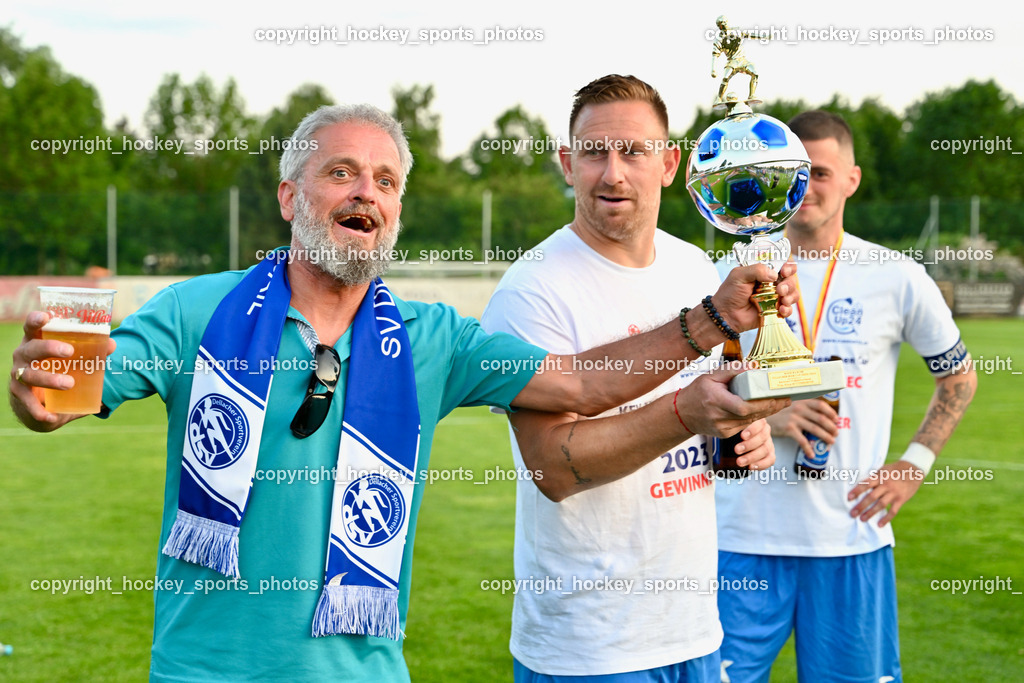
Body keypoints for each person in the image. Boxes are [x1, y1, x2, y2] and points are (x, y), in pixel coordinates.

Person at [9, 103, 796, 683]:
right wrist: (37, 391)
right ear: (290, 197)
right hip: (204, 669)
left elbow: (584, 382)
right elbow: (76, 385)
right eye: (341, 172)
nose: (366, 192)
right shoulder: (194, 309)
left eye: (385, 180)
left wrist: (710, 318)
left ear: (395, 212)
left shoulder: (436, 338)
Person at [481, 74, 782, 682]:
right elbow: (553, 468)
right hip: (589, 646)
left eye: (635, 151)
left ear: (670, 163)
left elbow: (712, 404)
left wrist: (744, 433)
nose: (613, 173)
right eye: (595, 151)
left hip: (693, 627)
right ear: (567, 163)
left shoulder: (695, 267)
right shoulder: (532, 288)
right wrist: (683, 415)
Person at [714, 110, 978, 683]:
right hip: (739, 535)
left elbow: (958, 376)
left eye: (822, 172)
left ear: (852, 180)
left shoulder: (895, 276)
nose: (806, 186)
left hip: (849, 536)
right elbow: (686, 386)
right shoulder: (731, 273)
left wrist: (914, 464)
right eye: (795, 172)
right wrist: (774, 413)